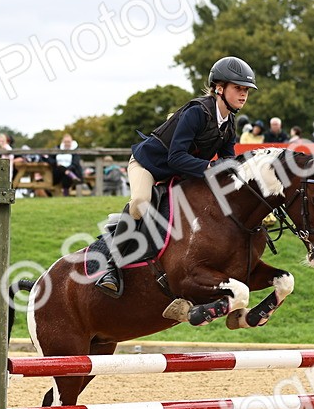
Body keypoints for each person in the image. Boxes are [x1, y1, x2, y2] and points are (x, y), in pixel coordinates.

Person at [95, 55, 256, 297]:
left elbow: (228, 162)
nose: (243, 95)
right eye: (238, 88)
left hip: (180, 173)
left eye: (246, 90)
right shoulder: (197, 112)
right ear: (219, 89)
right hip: (149, 165)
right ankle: (111, 267)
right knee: (140, 204)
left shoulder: (229, 123)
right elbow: (176, 157)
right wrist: (213, 168)